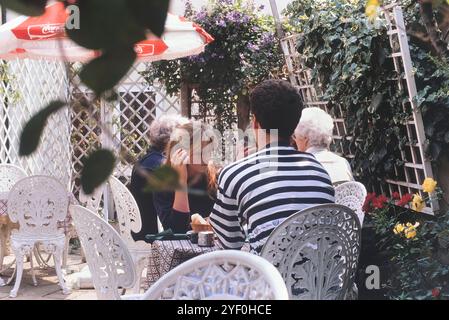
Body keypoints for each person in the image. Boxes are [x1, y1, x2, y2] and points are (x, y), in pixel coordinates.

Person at [209, 80, 335, 254]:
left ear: (254, 123)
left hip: (268, 279)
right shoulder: (318, 170)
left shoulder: (234, 174)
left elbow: (229, 245)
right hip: (321, 277)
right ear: (295, 124)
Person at [152, 120, 219, 233]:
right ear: (179, 152)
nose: (207, 158)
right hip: (180, 248)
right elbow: (177, 230)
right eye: (200, 153)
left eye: (209, 151)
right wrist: (181, 181)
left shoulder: (213, 176)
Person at [130, 114, 188, 240]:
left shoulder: (145, 161)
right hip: (154, 240)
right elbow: (175, 227)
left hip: (139, 234)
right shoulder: (159, 168)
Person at [294, 107, 354, 185]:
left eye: (295, 137)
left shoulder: (300, 168)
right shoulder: (342, 163)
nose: (295, 141)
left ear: (305, 139)